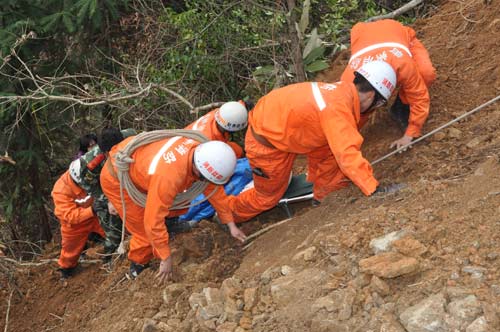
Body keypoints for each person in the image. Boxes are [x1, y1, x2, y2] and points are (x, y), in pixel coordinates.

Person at [219, 60, 398, 241]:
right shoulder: (337, 108)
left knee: (330, 153)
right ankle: (227, 214)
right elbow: (347, 153)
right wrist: (373, 189)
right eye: (379, 104)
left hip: (283, 127)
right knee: (267, 197)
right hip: (267, 145)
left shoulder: (340, 91)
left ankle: (323, 198)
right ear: (371, 95)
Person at [100, 135, 237, 283]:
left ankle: (169, 226)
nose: (205, 182)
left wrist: (230, 223)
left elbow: (213, 189)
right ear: (198, 169)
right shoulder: (168, 177)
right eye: (204, 178)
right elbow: (152, 221)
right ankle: (138, 263)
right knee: (144, 232)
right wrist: (166, 257)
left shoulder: (201, 154)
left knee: (179, 199)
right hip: (116, 176)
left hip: (143, 163)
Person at [340, 19, 436, 150]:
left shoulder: (403, 64)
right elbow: (341, 114)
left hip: (397, 34)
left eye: (362, 104)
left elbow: (419, 96)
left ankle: (401, 105)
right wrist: (344, 139)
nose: (360, 107)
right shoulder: (346, 81)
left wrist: (410, 133)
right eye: (358, 102)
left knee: (426, 74)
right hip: (366, 37)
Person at [77, 127, 136, 260]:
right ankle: (109, 257)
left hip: (121, 182)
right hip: (101, 190)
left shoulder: (128, 137)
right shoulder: (92, 161)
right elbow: (89, 184)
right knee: (114, 228)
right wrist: (109, 200)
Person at [52, 160, 105, 279]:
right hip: (74, 225)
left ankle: (115, 253)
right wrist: (92, 210)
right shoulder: (60, 190)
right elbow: (69, 215)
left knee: (115, 232)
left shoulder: (89, 173)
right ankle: (66, 270)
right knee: (70, 252)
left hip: (95, 216)